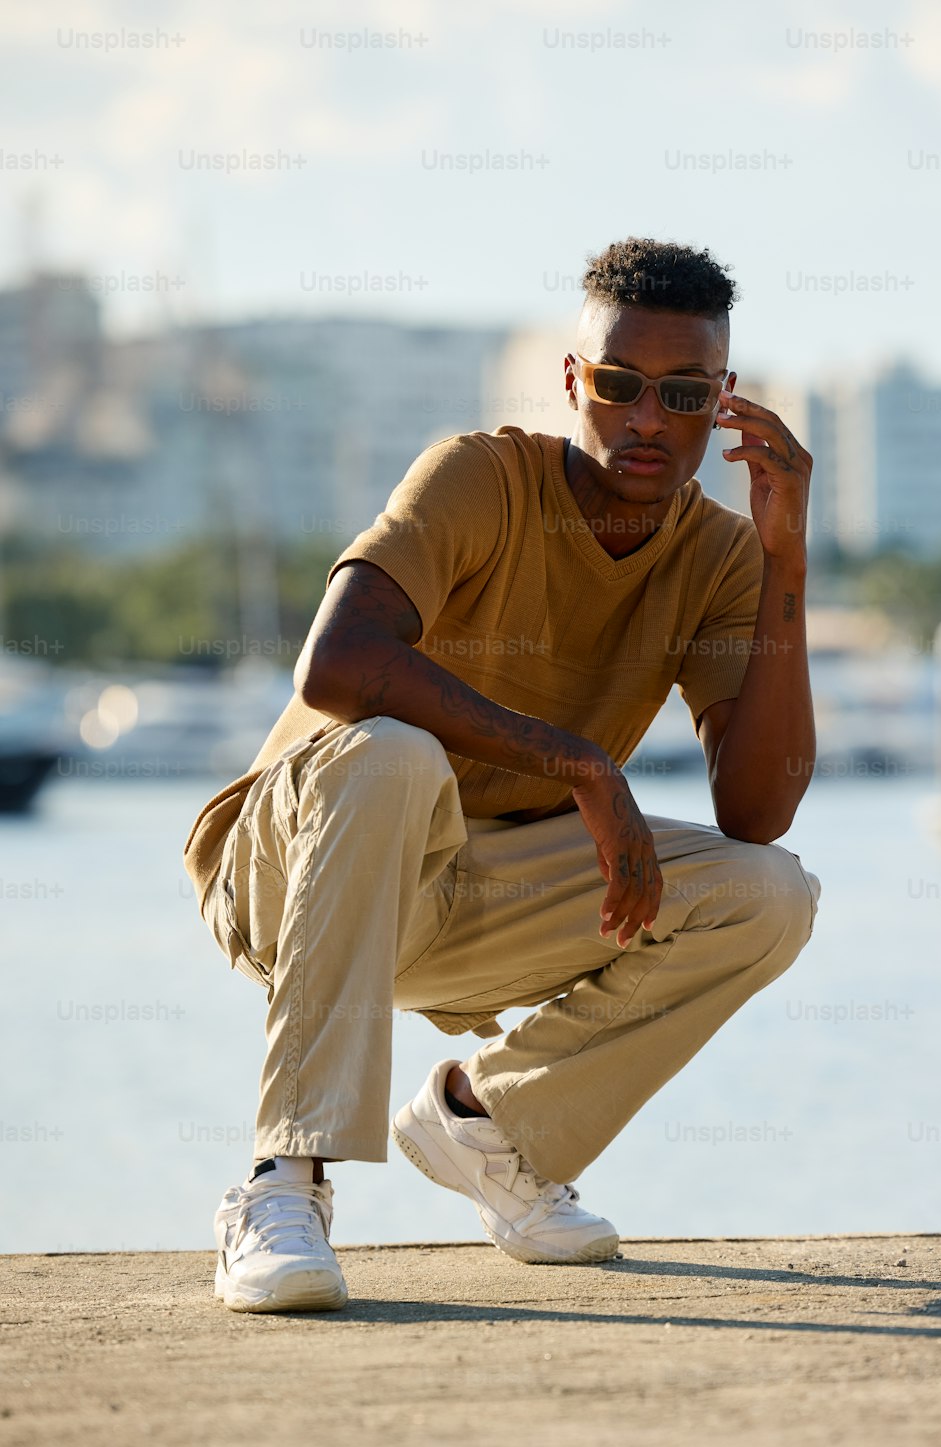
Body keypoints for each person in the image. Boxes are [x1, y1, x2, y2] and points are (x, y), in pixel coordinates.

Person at [183, 236, 821, 1313]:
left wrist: (786, 559)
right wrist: (578, 761)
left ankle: (489, 1123)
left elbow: (755, 809)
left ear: (723, 402)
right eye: (619, 386)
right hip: (289, 874)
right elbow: (337, 665)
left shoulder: (717, 555)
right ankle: (280, 1182)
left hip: (471, 900)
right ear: (575, 381)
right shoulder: (480, 476)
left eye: (682, 392)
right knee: (392, 749)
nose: (646, 419)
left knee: (770, 895)